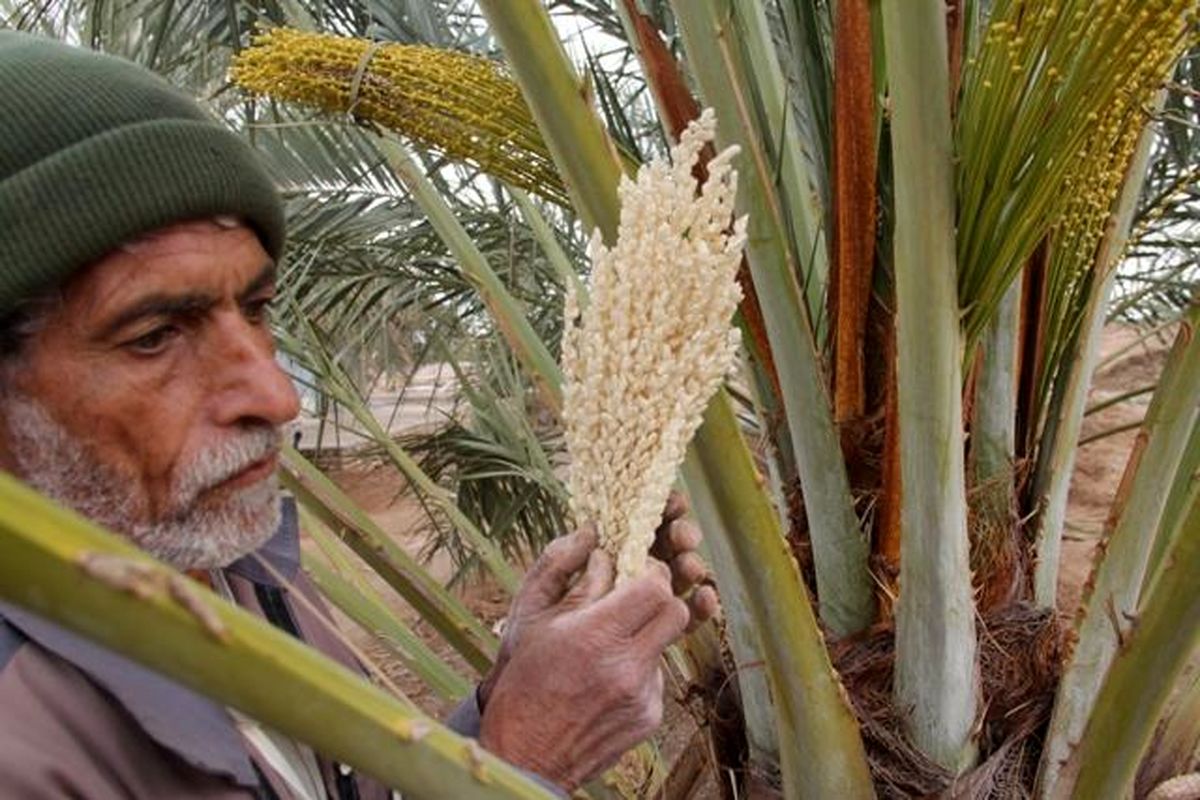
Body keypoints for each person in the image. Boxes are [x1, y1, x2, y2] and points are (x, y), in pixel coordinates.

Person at [0, 30, 719, 799]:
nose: (280, 398)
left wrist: (503, 697)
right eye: (153, 337)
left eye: (257, 306)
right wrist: (523, 760)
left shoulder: (232, 571)